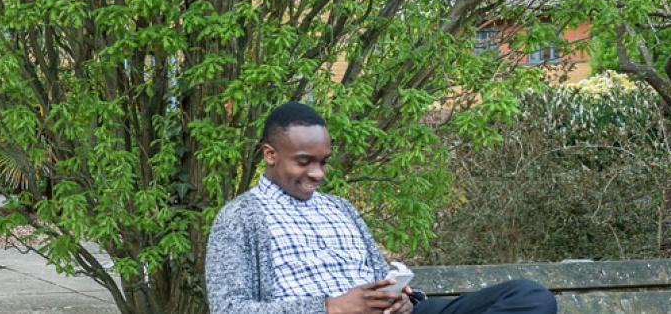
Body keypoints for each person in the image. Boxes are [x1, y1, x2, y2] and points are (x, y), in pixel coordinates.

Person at [205, 102, 556, 314]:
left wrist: (401, 300)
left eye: (324, 162)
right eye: (304, 162)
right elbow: (229, 308)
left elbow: (377, 277)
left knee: (528, 297)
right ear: (270, 154)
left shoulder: (340, 208)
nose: (318, 173)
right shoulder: (239, 218)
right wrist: (331, 307)